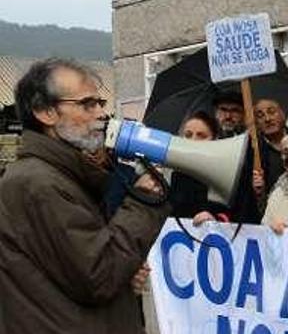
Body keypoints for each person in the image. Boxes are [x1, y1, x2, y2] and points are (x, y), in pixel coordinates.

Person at [0, 58, 169, 333]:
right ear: (45, 112)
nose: (101, 114)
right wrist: (142, 203)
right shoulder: (38, 184)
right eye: (87, 104)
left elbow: (72, 270)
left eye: (100, 103)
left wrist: (125, 273)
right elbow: (99, 276)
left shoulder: (58, 176)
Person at [169, 111, 230, 221]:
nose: (193, 140)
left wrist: (216, 219)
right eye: (188, 135)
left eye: (201, 136)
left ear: (215, 139)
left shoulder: (226, 173)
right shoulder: (176, 175)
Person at [254, 98, 288, 194]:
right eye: (260, 116)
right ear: (256, 124)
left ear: (282, 115)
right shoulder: (255, 152)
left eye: (272, 112)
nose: (267, 119)